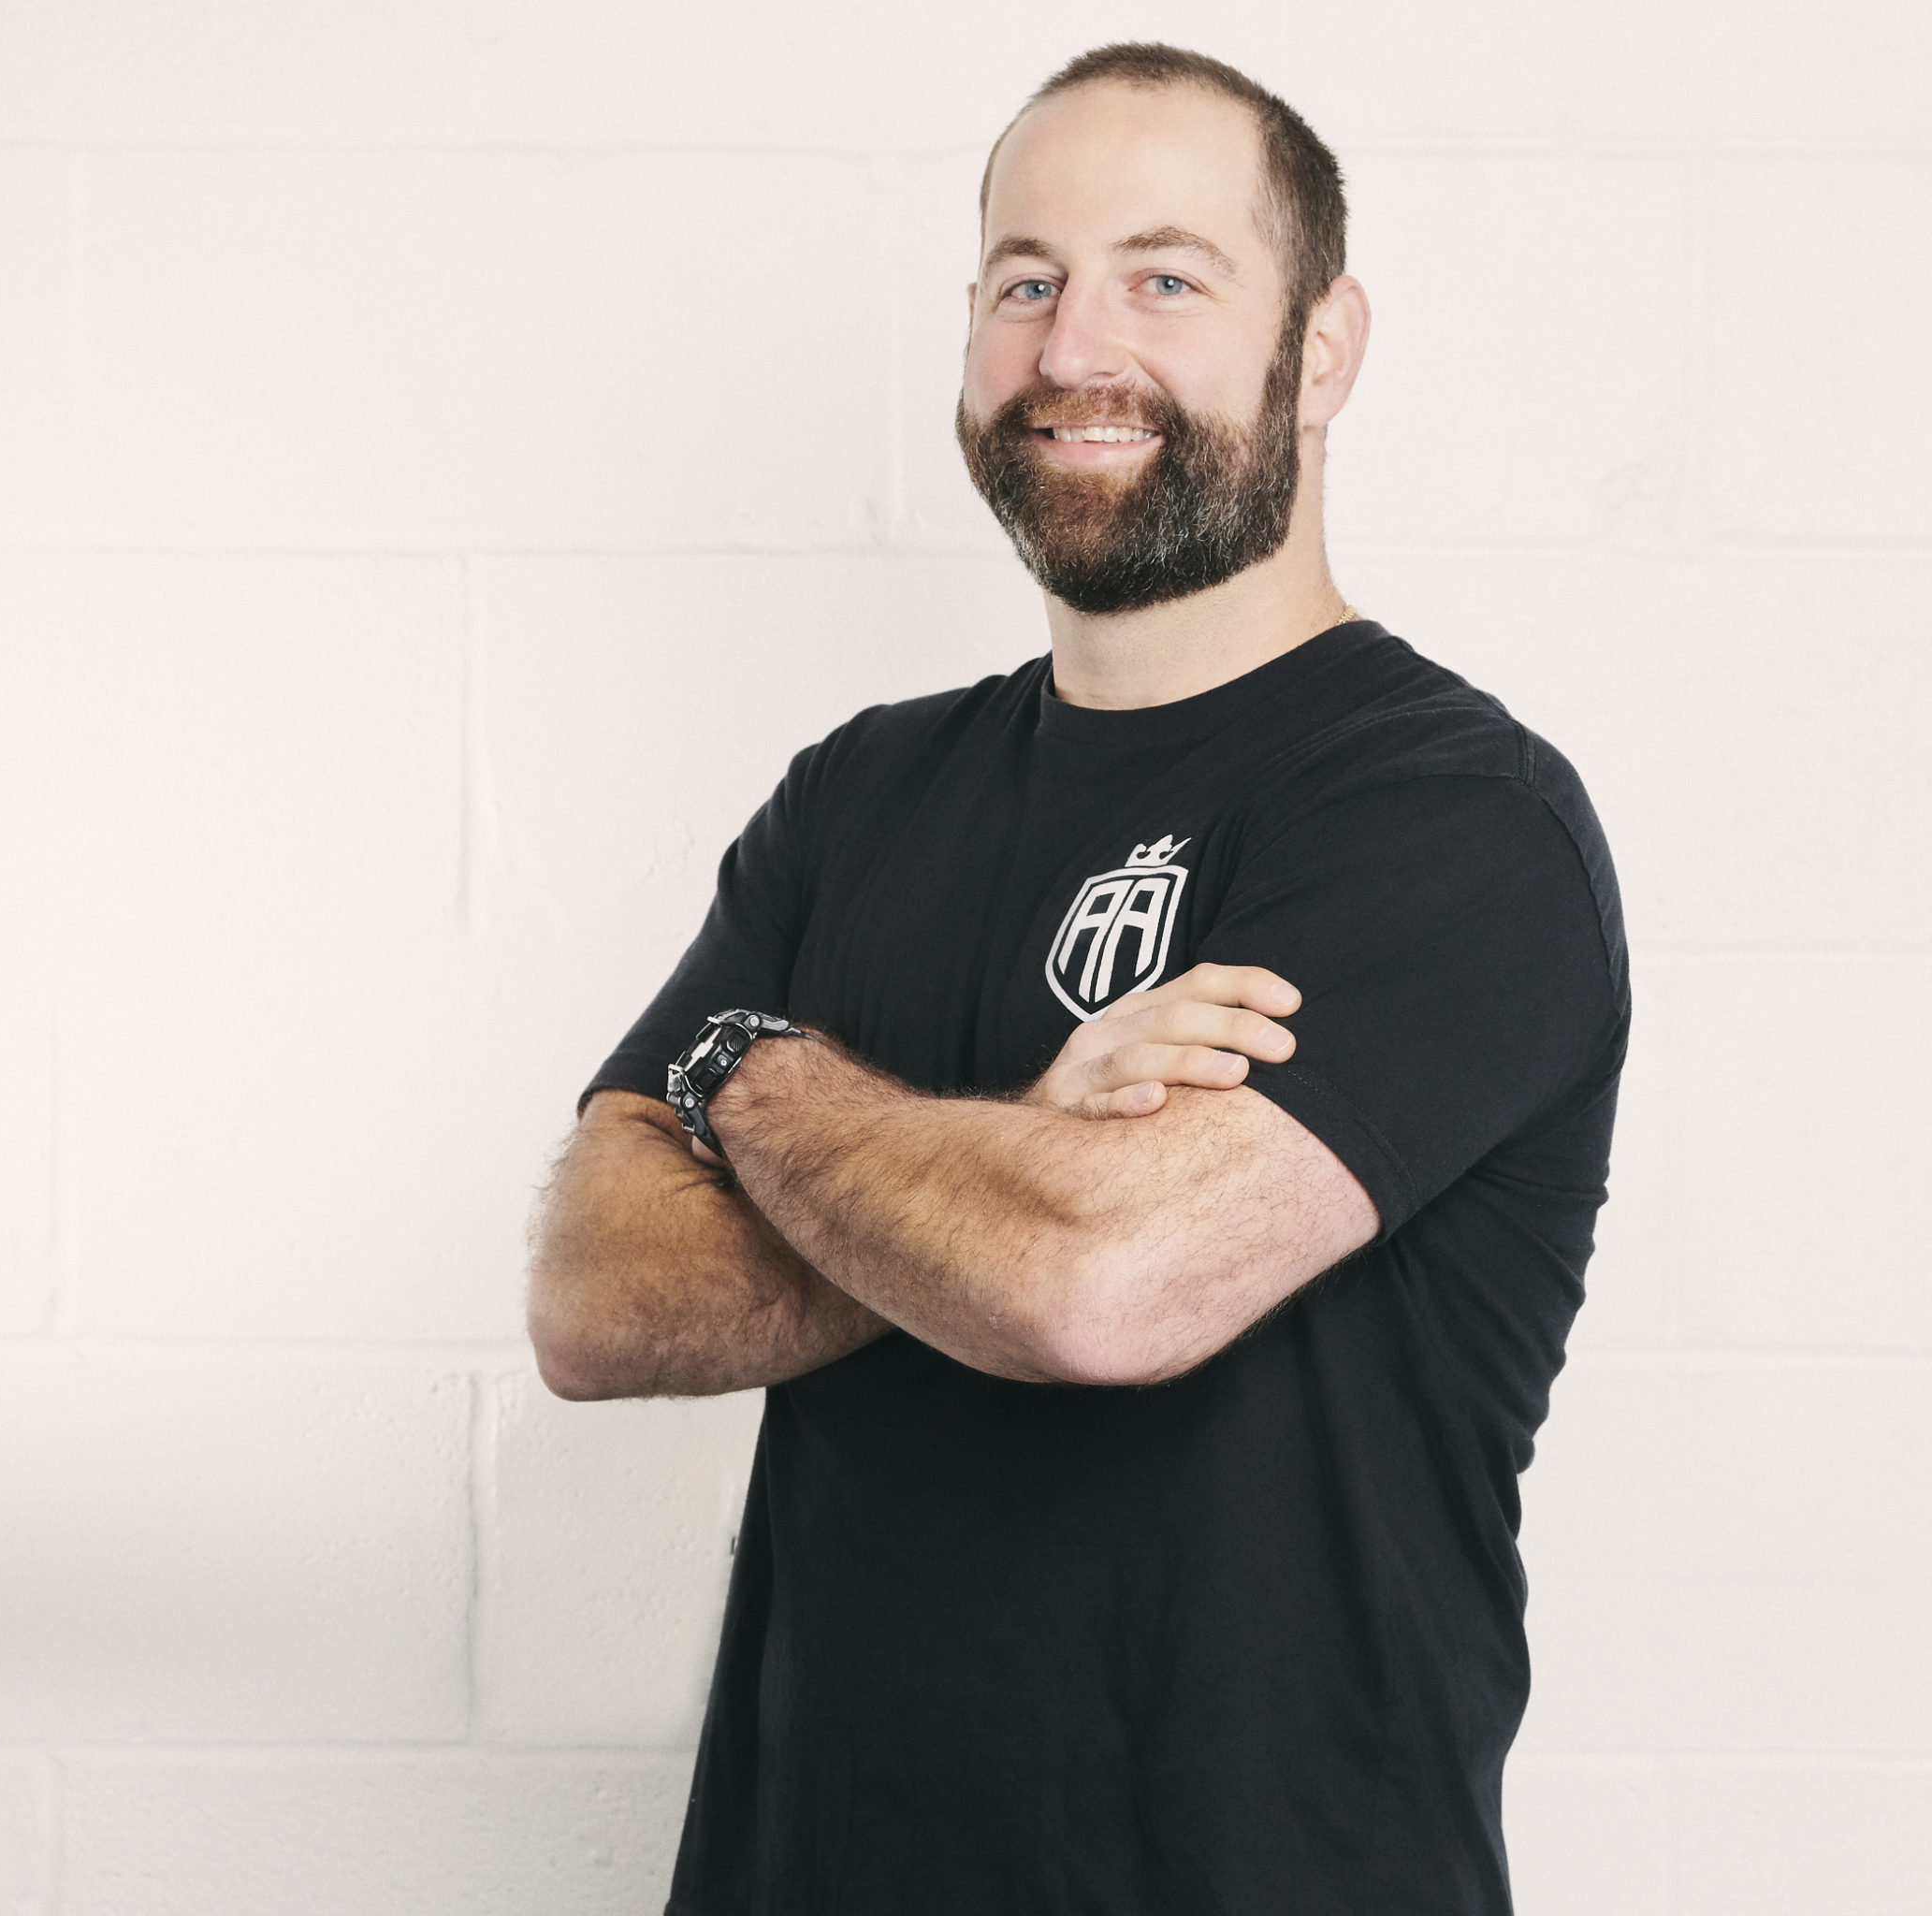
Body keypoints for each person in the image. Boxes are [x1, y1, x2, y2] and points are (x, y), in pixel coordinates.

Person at [527, 41, 1626, 1916]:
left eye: (1162, 277)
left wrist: (749, 1072)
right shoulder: (859, 795)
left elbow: (1095, 1284)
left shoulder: (1453, 823)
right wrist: (1021, 1134)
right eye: (1021, 279)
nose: (1072, 348)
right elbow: (593, 1298)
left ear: (1325, 344)